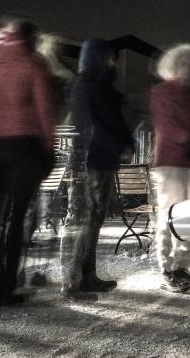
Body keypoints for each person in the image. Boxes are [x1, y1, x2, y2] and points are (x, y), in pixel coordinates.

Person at [0, 16, 56, 306]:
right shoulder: (33, 63)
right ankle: (6, 288)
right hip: (24, 146)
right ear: (30, 39)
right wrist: (48, 148)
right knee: (15, 218)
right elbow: (45, 110)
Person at [60, 38, 132, 301]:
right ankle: (73, 281)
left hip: (102, 161)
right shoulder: (84, 86)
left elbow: (115, 120)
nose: (114, 63)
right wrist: (118, 146)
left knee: (94, 220)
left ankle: (87, 275)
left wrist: (125, 144)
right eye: (111, 58)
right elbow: (92, 125)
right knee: (83, 220)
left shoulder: (103, 88)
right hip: (88, 163)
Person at [150, 44, 190, 292]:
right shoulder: (161, 92)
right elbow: (167, 125)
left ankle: (182, 266)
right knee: (169, 215)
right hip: (170, 162)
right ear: (173, 65)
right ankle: (167, 268)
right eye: (184, 62)